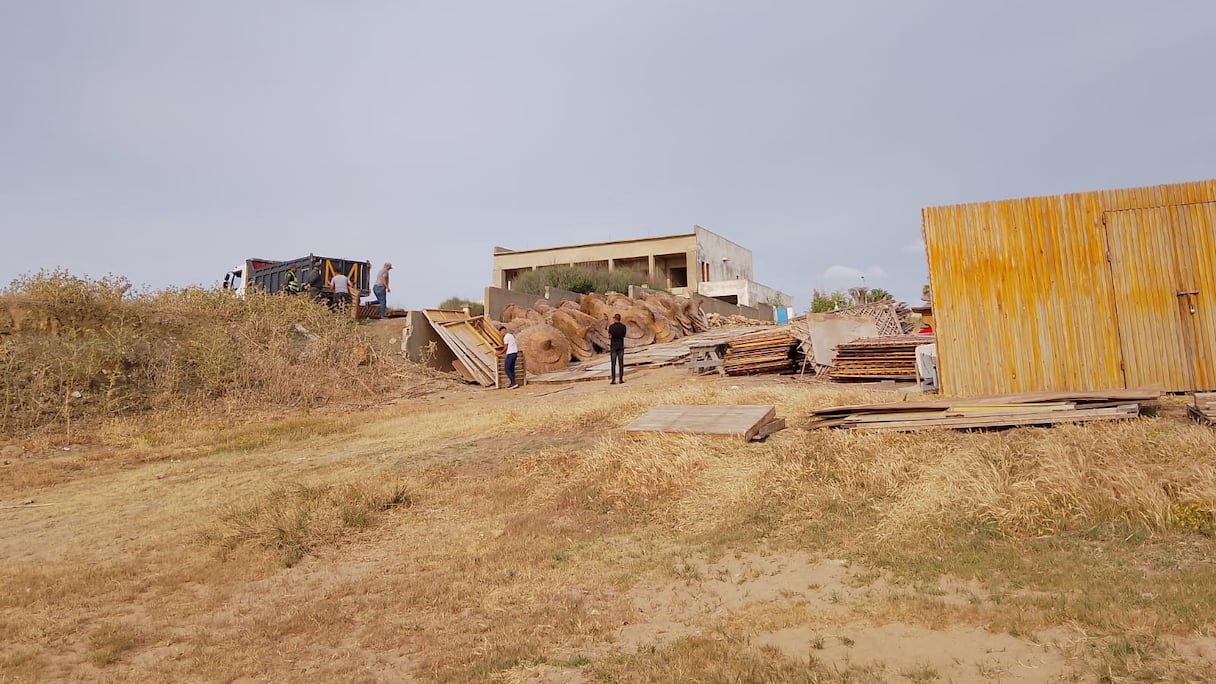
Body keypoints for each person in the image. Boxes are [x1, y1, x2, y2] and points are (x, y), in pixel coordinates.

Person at [608, 313, 627, 384]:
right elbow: (624, 335)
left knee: (613, 363)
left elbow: (609, 336)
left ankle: (613, 380)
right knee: (621, 363)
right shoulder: (623, 327)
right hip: (621, 345)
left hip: (613, 346)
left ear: (614, 319)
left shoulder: (611, 327)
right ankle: (621, 379)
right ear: (620, 319)